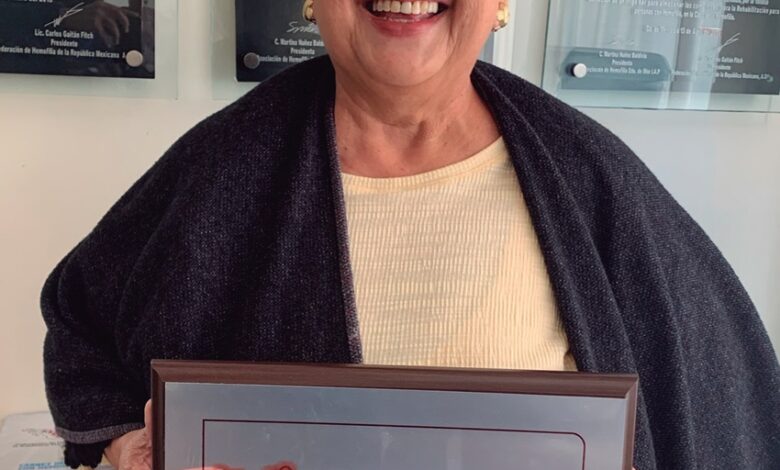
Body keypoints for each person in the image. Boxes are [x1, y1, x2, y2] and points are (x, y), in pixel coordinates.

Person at [40, 1, 779, 469]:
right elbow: (81, 327)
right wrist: (127, 449)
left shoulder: (593, 180)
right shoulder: (214, 168)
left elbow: (726, 402)